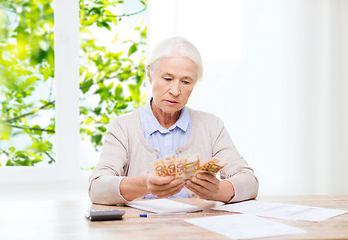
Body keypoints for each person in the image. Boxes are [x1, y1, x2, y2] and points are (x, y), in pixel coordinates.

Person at [88, 37, 258, 205]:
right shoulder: (123, 128)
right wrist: (145, 184)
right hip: (140, 228)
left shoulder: (211, 126)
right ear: (150, 74)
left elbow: (250, 182)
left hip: (197, 229)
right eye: (168, 79)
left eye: (186, 81)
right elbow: (97, 188)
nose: (176, 91)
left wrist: (218, 191)